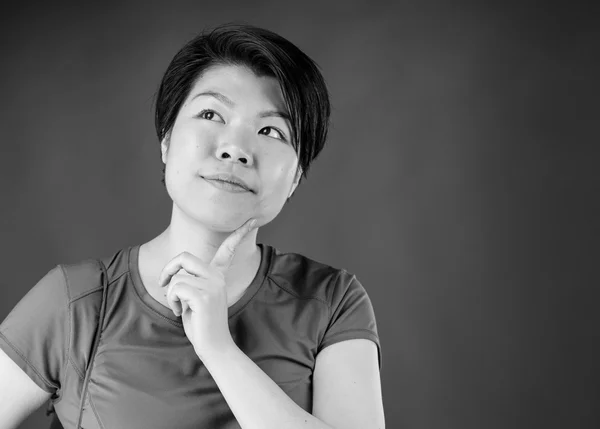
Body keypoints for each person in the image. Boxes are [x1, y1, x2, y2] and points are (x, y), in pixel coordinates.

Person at [0, 24, 385, 429]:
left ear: (295, 177)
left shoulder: (333, 302)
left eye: (271, 131)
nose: (234, 149)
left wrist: (219, 350)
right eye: (211, 114)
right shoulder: (77, 303)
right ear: (166, 140)